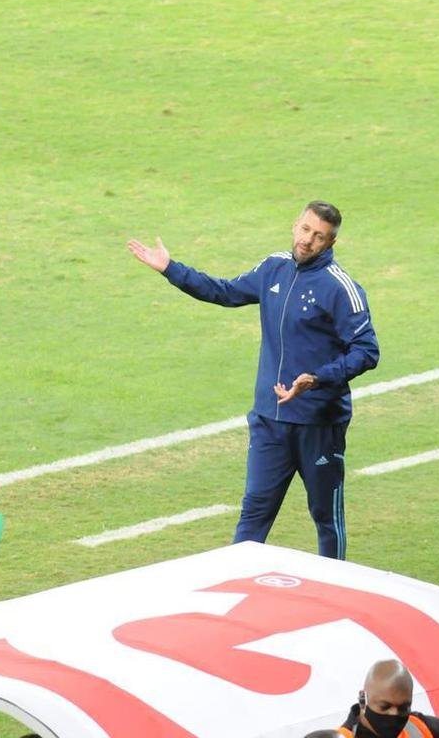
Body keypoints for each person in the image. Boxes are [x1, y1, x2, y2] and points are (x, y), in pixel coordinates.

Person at [128, 201, 380, 559]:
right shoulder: (273, 268)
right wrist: (171, 269)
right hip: (269, 420)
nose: (308, 240)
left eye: (319, 236)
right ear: (295, 225)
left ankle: (335, 583)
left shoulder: (340, 288)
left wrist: (317, 379)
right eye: (305, 229)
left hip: (318, 424)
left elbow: (367, 351)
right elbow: (224, 292)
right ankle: (236, 584)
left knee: (326, 517)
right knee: (254, 514)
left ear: (331, 243)